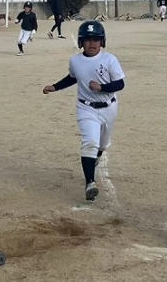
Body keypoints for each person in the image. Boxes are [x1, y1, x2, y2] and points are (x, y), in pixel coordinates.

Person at [43, 20, 125, 202]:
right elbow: (73, 77)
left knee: (102, 144)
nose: (92, 43)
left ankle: (97, 156)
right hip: (86, 108)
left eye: (96, 39)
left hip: (109, 107)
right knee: (90, 142)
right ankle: (90, 183)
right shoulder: (75, 61)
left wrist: (102, 87)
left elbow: (120, 84)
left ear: (102, 41)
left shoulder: (109, 59)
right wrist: (55, 87)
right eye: (87, 40)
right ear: (81, 42)